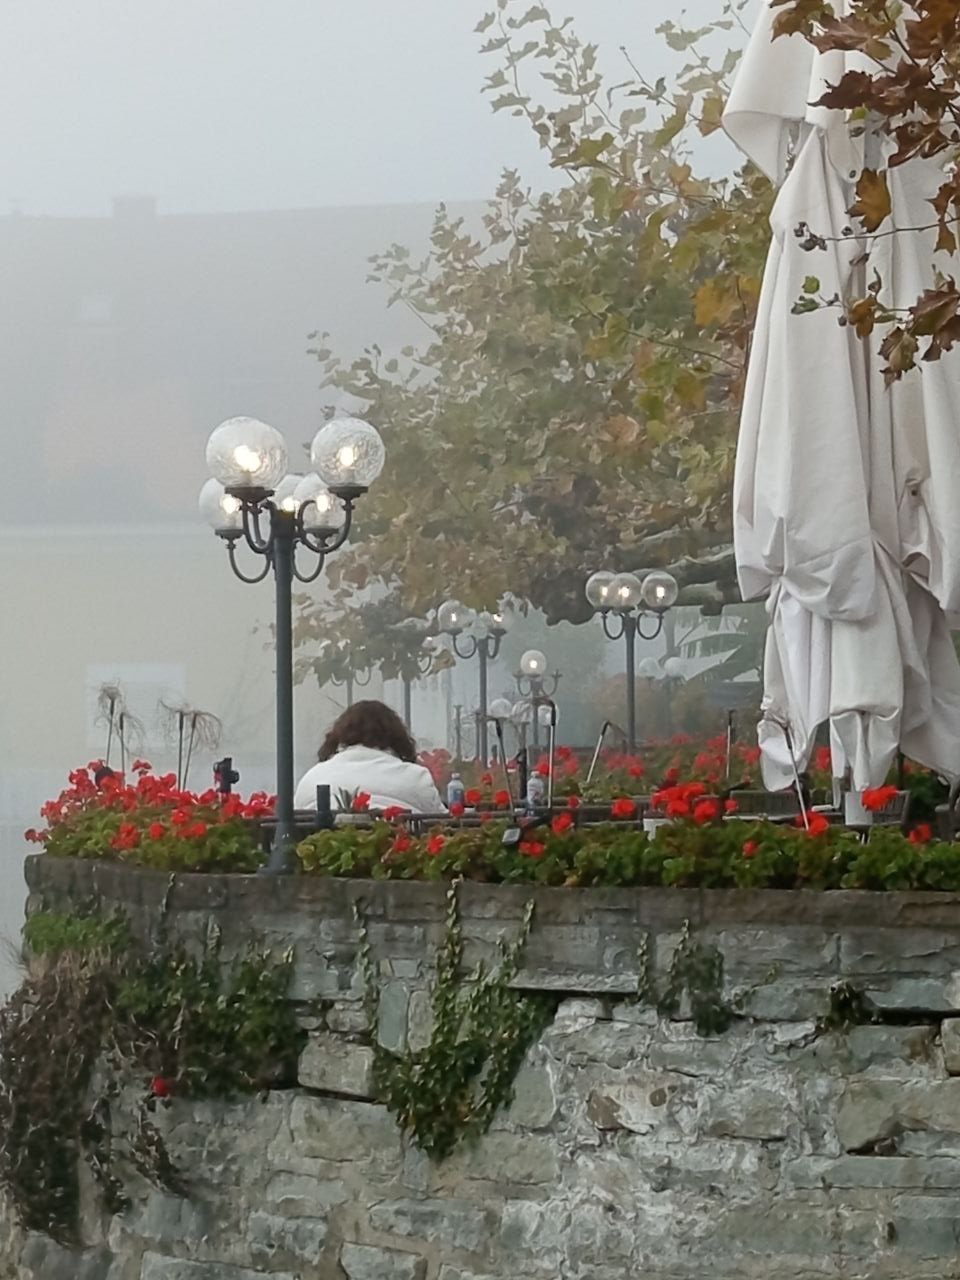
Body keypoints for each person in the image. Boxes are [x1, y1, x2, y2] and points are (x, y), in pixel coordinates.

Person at [294, 700, 445, 814]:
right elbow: (441, 824)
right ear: (396, 736)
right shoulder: (416, 777)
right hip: (397, 853)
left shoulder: (313, 777)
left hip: (324, 854)